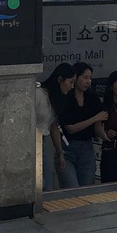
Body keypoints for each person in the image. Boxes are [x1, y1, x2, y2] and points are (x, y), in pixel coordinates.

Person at [57, 62, 108, 187]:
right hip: (67, 147)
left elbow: (98, 127)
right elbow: (70, 128)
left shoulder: (92, 98)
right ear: (76, 77)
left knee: (87, 188)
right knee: (71, 188)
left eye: (90, 78)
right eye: (85, 77)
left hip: (87, 148)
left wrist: (106, 137)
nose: (88, 81)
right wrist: (94, 118)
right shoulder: (66, 97)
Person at [36, 63, 74, 191]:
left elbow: (53, 126)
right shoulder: (39, 94)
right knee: (38, 182)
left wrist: (59, 152)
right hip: (32, 141)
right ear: (60, 79)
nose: (72, 87)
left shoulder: (56, 99)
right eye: (70, 82)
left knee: (47, 183)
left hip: (44, 141)